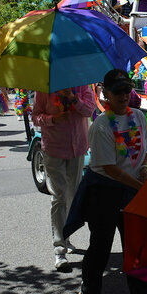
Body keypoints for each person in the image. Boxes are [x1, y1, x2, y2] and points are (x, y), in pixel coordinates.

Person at [65, 69, 147, 294]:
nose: (123, 96)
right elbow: (110, 169)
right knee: (100, 246)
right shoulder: (101, 126)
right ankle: (89, 290)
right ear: (105, 93)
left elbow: (146, 150)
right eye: (117, 92)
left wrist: (144, 167)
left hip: (132, 190)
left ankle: (143, 292)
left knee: (137, 247)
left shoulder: (139, 116)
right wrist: (140, 187)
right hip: (104, 192)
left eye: (127, 90)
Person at [32, 85, 95, 270]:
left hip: (77, 147)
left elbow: (90, 110)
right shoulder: (44, 87)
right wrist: (54, 119)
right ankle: (59, 249)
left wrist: (74, 99)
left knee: (72, 196)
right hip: (54, 147)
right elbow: (36, 116)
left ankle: (66, 238)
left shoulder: (83, 86)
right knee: (59, 197)